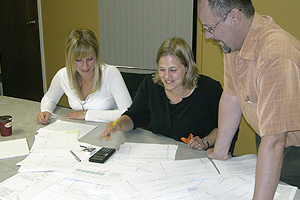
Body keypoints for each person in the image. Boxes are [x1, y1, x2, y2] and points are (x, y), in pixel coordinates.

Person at [198, 0, 300, 199]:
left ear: (235, 17)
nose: (207, 35)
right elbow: (231, 97)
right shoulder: (233, 43)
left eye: (210, 28)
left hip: (292, 148)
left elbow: (275, 141)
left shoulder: (275, 55)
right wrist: (220, 151)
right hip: (271, 139)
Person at [101, 37, 238, 152]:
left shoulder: (210, 90)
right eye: (162, 70)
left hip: (197, 159)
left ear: (188, 68)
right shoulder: (151, 86)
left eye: (173, 70)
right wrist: (118, 125)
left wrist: (205, 142)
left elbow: (225, 128)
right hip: (160, 156)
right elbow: (133, 117)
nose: (166, 77)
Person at [36, 29, 132, 124]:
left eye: (90, 59)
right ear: (70, 59)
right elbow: (49, 98)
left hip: (111, 130)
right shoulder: (63, 75)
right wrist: (46, 111)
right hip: (81, 130)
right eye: (78, 60)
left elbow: (128, 113)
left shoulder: (110, 74)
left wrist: (87, 114)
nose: (85, 66)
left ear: (96, 56)